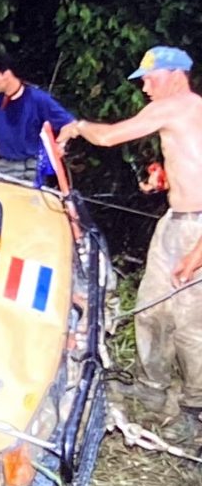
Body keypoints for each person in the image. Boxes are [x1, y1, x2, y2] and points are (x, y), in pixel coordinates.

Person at [58, 46, 202, 437]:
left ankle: (194, 407)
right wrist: (167, 181)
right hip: (175, 220)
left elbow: (108, 137)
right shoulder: (185, 113)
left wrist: (77, 126)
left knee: (191, 326)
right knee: (151, 309)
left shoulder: (179, 104)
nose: (145, 88)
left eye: (150, 79)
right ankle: (151, 388)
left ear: (175, 76)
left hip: (197, 230)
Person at [0, 55, 74, 180]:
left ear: (7, 75)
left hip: (32, 167)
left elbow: (69, 124)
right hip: (4, 167)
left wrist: (60, 144)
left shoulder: (38, 99)